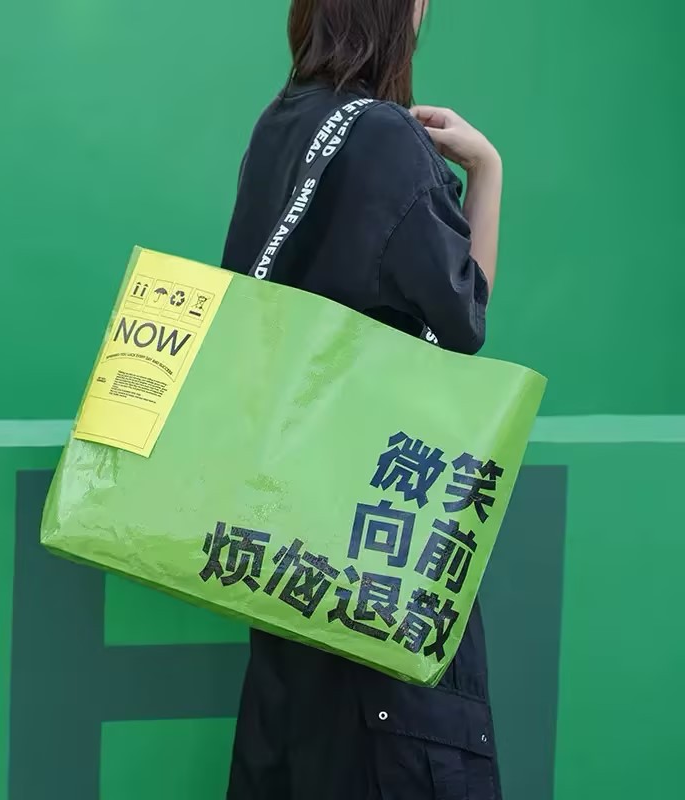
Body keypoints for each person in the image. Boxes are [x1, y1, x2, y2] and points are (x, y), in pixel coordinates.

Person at [221, 1, 504, 797]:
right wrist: (488, 173)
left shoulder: (279, 127)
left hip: (285, 545)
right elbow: (463, 320)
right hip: (379, 540)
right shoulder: (383, 136)